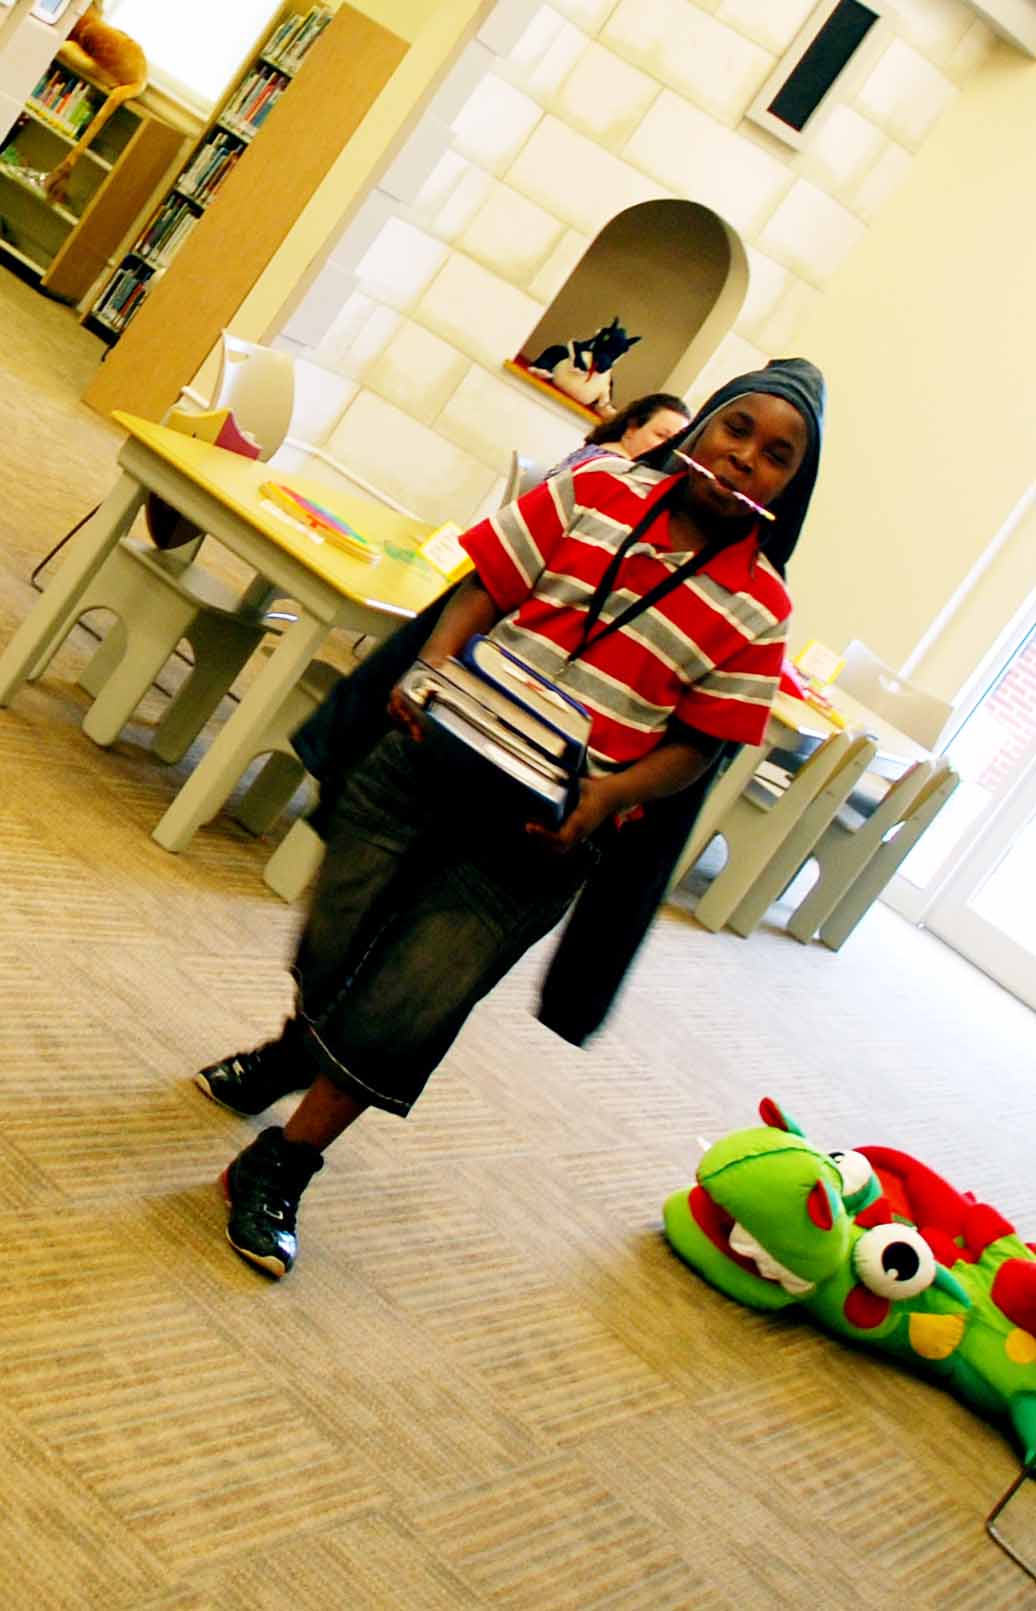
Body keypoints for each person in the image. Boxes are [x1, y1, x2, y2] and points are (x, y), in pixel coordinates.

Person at [195, 357, 826, 1279]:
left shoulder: (761, 609)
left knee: (417, 996)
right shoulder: (598, 485)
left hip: (542, 832)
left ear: (789, 486)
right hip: (427, 760)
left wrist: (610, 798)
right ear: (705, 427)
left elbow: (699, 741)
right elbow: (486, 582)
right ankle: (304, 1044)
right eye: (738, 430)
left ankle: (286, 1159)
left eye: (777, 456)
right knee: (333, 945)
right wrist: (434, 663)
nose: (745, 461)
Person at [547, 392, 691, 477]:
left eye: (675, 441)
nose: (667, 446)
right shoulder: (607, 467)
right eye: (661, 435)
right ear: (632, 428)